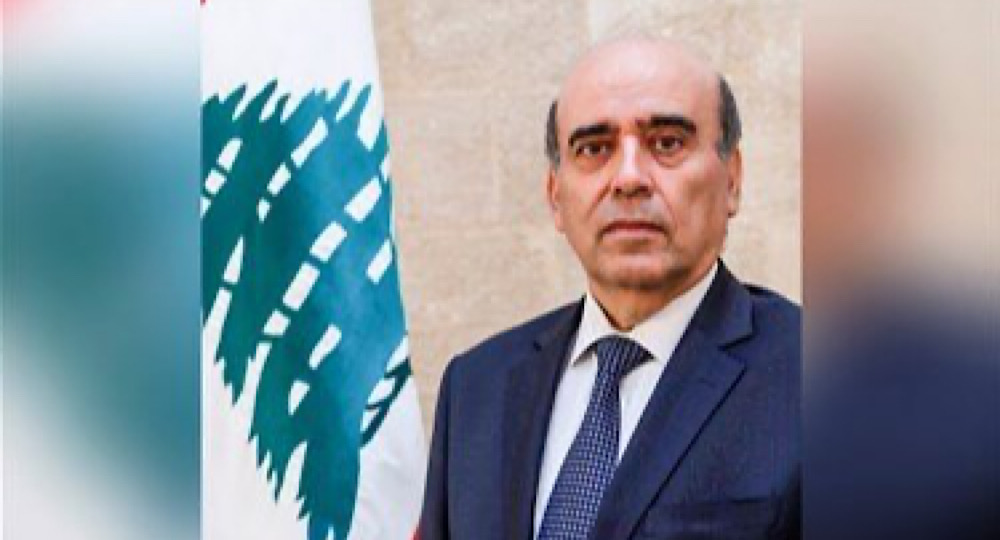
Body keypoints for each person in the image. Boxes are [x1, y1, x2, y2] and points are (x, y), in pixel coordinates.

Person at [419, 37, 800, 540]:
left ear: (731, 178)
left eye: (667, 143)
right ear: (556, 196)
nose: (628, 178)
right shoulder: (476, 389)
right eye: (594, 149)